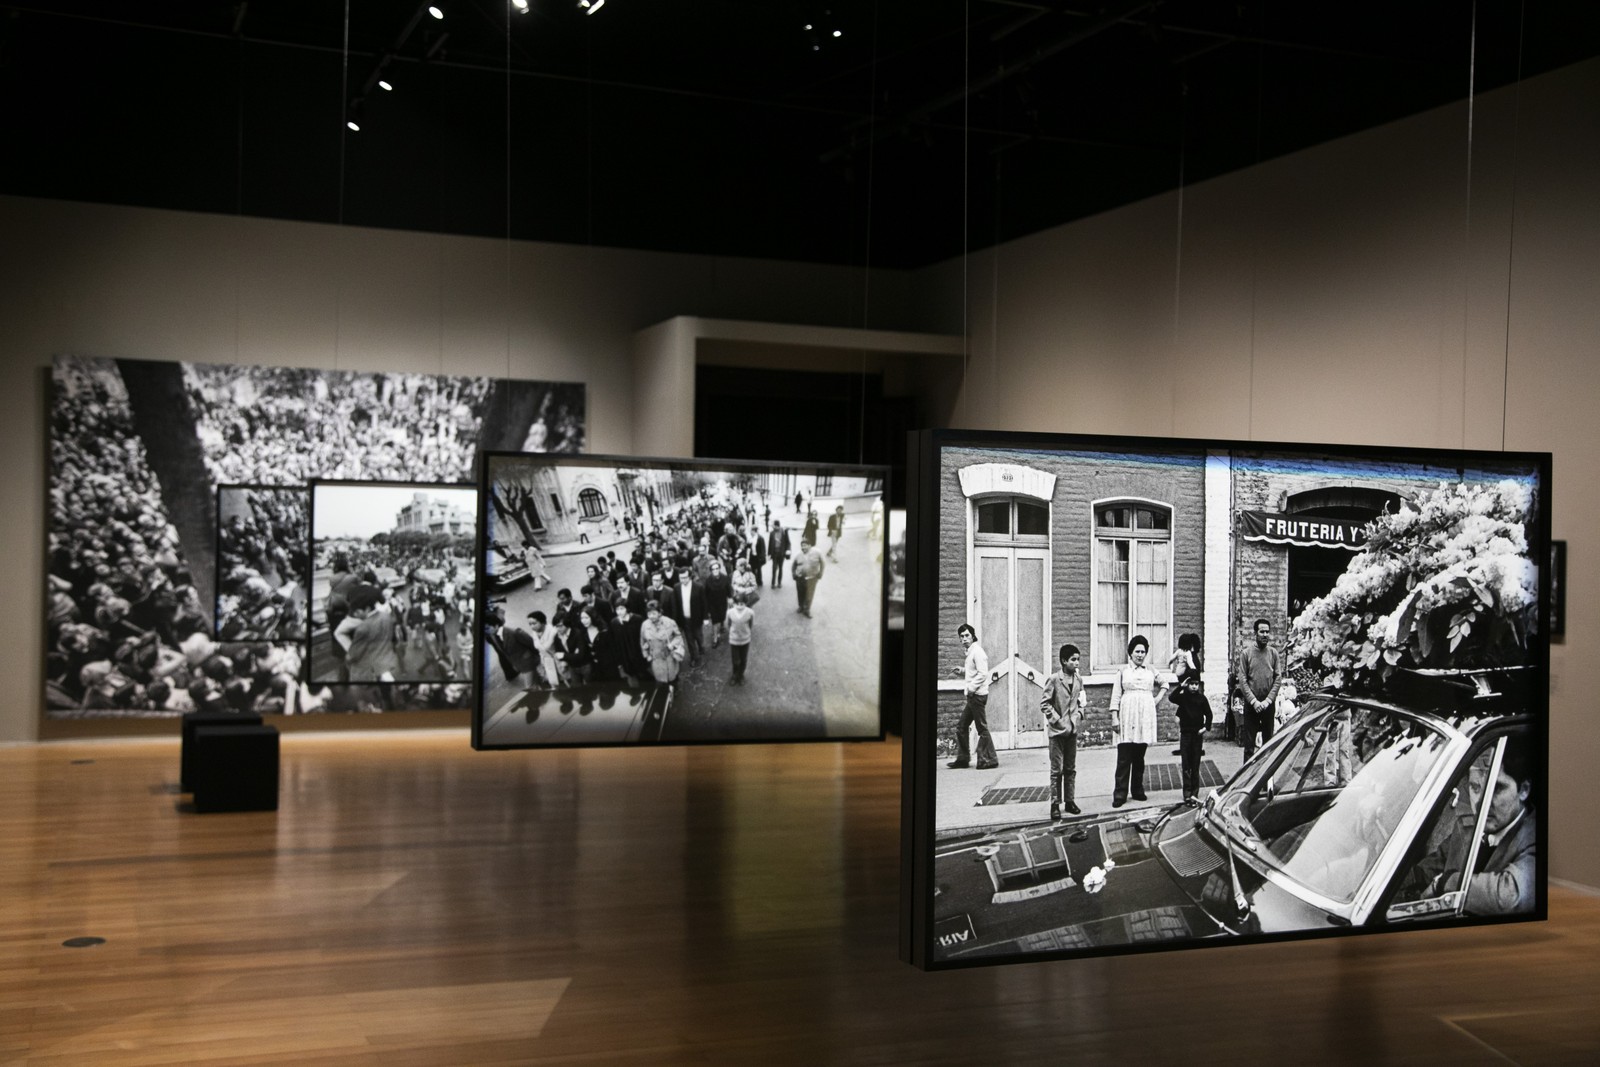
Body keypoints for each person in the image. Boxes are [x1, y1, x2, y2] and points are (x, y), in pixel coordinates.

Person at [1464, 737, 1538, 915]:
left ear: (1524, 790)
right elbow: (1426, 870)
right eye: (1475, 787)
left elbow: (1510, 897)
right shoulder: (1467, 828)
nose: (1482, 802)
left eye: (1496, 788)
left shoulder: (1535, 836)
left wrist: (1445, 883)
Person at [1109, 634, 1165, 806]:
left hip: (1144, 715)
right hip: (1127, 714)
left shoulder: (1150, 670)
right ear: (1130, 653)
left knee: (1139, 756)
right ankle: (1120, 794)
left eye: (1143, 651)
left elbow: (1165, 684)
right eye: (1137, 651)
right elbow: (1116, 695)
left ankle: (1138, 790)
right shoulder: (1123, 671)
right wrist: (1114, 718)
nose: (1140, 655)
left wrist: (1155, 700)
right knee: (1124, 756)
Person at [1039, 643, 1086, 819]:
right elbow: (1045, 704)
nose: (1076, 663)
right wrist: (1057, 720)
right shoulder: (1053, 680)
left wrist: (1078, 716)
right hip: (1057, 732)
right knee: (1056, 769)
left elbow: (1082, 701)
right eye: (1073, 660)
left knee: (1070, 768)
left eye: (1078, 660)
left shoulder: (1079, 680)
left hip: (1072, 731)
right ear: (1064, 661)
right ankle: (1055, 803)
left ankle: (1070, 800)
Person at [947, 623, 998, 770]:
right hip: (973, 696)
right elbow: (974, 672)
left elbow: (983, 674)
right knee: (961, 727)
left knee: (981, 728)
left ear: (973, 636)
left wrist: (970, 688)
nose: (964, 638)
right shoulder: (970, 652)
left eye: (967, 635)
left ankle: (989, 759)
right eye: (961, 636)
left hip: (977, 696)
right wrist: (962, 670)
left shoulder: (978, 652)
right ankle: (963, 759)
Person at [1234, 618, 1282, 761]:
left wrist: (1268, 701)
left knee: (1268, 745)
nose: (1265, 635)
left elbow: (1278, 678)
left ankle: (1267, 780)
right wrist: (1254, 702)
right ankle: (1248, 780)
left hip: (1268, 705)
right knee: (1249, 746)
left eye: (1267, 632)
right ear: (1255, 633)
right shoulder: (1246, 654)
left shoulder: (1273, 653)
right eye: (1262, 632)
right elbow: (1242, 680)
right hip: (1252, 706)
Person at [1169, 674, 1214, 806]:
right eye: (1191, 684)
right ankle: (1187, 794)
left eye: (1196, 684)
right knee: (1186, 765)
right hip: (1186, 735)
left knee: (1195, 764)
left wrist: (1206, 728)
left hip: (1197, 735)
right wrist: (1180, 687)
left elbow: (1209, 714)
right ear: (1188, 685)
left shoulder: (1202, 699)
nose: (1194, 686)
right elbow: (1171, 697)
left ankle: (1194, 793)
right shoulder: (1183, 698)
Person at [640, 599, 687, 686]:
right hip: (655, 658)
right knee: (660, 680)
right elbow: (643, 641)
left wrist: (672, 645)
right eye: (649, 614)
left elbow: (678, 636)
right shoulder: (645, 625)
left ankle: (674, 688)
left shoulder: (669, 622)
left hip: (668, 656)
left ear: (660, 613)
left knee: (672, 678)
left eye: (654, 613)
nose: (651, 616)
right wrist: (646, 655)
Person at [726, 592, 755, 685]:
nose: (739, 606)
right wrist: (732, 633)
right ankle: (734, 675)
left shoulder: (750, 612)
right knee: (735, 659)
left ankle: (741, 675)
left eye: (742, 604)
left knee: (743, 659)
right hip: (734, 640)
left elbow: (751, 624)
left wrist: (747, 633)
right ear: (734, 603)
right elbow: (728, 624)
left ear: (745, 603)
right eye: (737, 604)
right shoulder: (730, 612)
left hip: (745, 639)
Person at [793, 538, 825, 618]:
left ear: (810, 546)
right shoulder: (798, 555)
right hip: (800, 578)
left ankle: (807, 610)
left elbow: (823, 562)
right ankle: (801, 606)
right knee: (800, 593)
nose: (803, 547)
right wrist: (794, 574)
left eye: (805, 546)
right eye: (802, 546)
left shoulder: (817, 552)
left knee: (809, 594)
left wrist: (821, 573)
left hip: (812, 578)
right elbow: (793, 565)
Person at [704, 558, 732, 647]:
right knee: (715, 621)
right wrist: (706, 608)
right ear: (711, 570)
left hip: (722, 602)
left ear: (719, 569)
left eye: (717, 568)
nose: (715, 570)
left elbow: (728, 589)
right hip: (712, 604)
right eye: (713, 569)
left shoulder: (725, 578)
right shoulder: (708, 581)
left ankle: (722, 625)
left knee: (722, 617)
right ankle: (715, 638)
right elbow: (705, 594)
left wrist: (730, 598)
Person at [768, 520, 791, 589]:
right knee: (774, 568)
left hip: (781, 553)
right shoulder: (772, 533)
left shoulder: (784, 532)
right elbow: (769, 543)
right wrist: (769, 553)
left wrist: (788, 550)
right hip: (774, 553)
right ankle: (773, 583)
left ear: (777, 526)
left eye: (774, 526)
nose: (773, 527)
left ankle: (779, 583)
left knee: (780, 568)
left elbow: (788, 542)